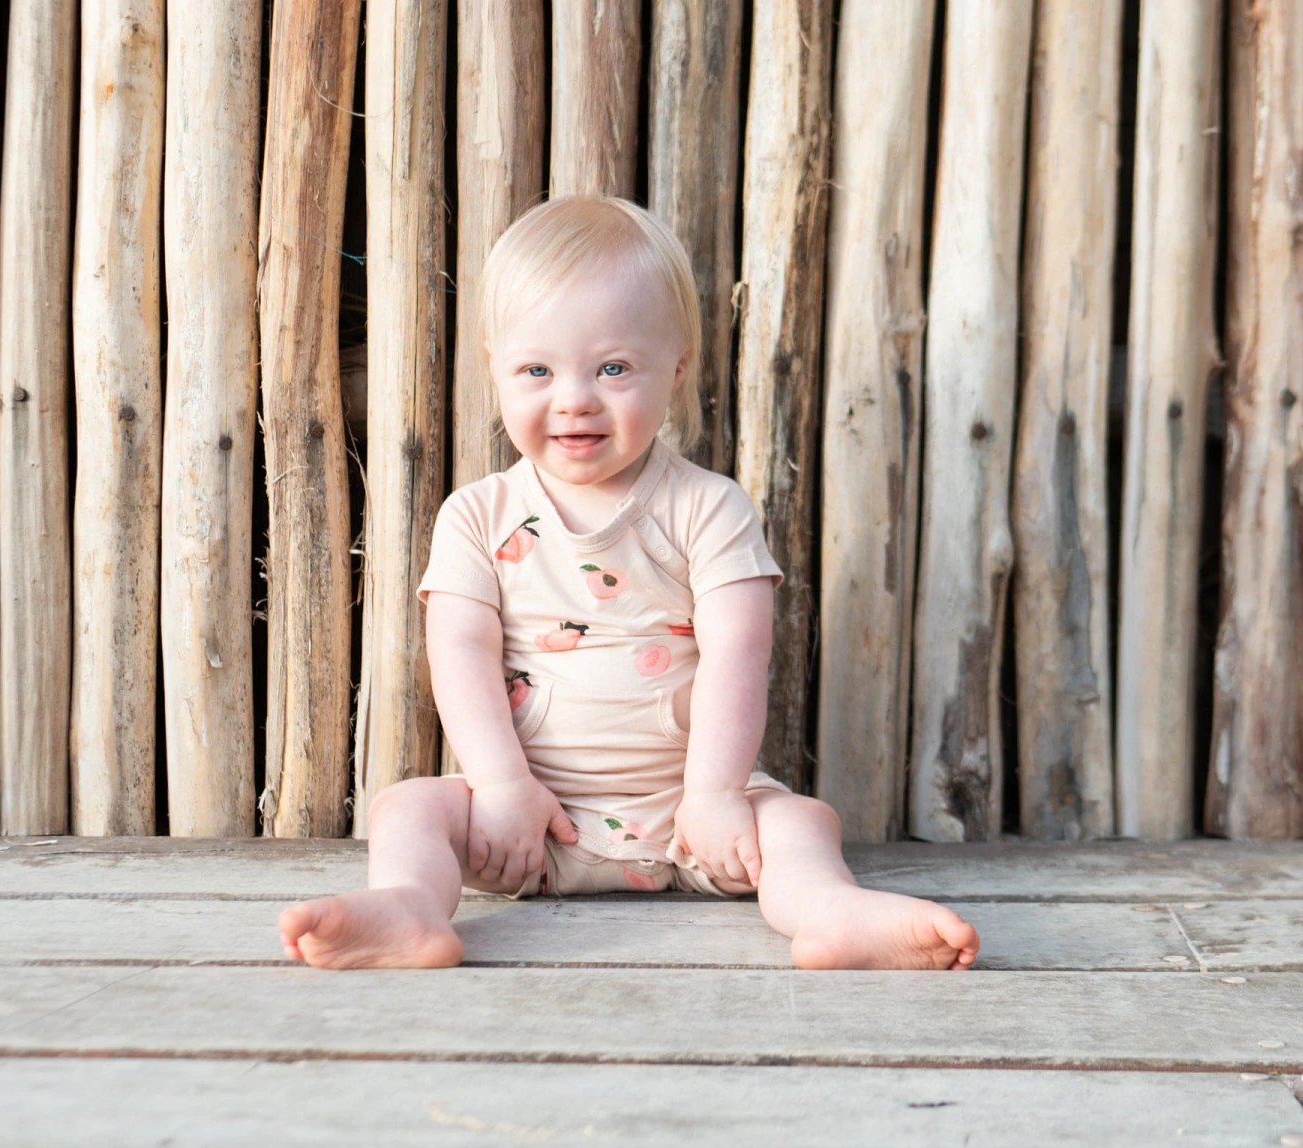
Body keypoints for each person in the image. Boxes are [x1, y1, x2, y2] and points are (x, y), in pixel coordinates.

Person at [279, 196, 979, 971]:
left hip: (691, 820)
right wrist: (503, 787)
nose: (575, 397)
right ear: (493, 367)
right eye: (537, 370)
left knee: (799, 822)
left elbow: (738, 654)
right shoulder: (477, 516)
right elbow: (460, 658)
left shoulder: (707, 508)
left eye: (613, 368)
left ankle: (833, 911)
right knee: (408, 808)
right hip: (533, 828)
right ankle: (409, 910)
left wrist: (715, 796)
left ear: (676, 365)